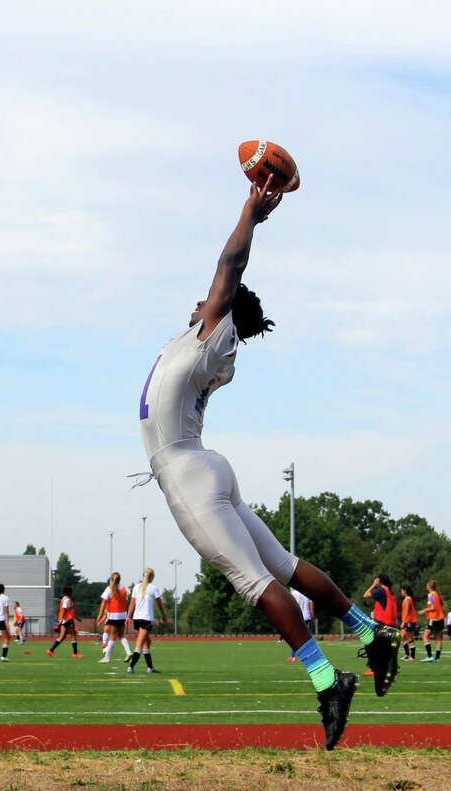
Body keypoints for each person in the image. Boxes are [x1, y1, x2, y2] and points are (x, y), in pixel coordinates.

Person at [135, 178, 400, 749]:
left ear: (224, 311)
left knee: (254, 581)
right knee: (283, 563)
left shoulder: (212, 333)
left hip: (185, 469)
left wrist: (250, 214)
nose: (199, 301)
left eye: (210, 301)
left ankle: (328, 680)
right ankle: (370, 631)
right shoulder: (206, 343)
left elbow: (229, 263)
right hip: (206, 465)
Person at [126, 568, 168, 673]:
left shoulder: (136, 587)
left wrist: (128, 616)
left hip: (137, 619)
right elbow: (159, 604)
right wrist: (164, 616)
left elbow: (132, 603)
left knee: (147, 642)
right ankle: (131, 667)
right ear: (152, 577)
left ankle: (150, 667)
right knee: (140, 643)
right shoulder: (154, 588)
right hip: (146, 619)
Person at [361, 575, 397, 679]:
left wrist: (373, 585)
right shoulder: (391, 592)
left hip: (381, 622)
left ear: (379, 581)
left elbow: (366, 595)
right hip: (391, 623)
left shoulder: (381, 591)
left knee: (372, 645)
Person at [96, 572, 131, 663]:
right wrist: (127, 616)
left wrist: (99, 615)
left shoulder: (109, 588)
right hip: (123, 615)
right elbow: (126, 603)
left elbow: (103, 602)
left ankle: (107, 658)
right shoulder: (124, 589)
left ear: (111, 579)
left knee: (112, 636)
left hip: (113, 615)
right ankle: (129, 652)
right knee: (121, 635)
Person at [46, 586, 83, 658]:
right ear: (69, 592)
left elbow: (69, 611)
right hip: (68, 620)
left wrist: (77, 618)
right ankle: (75, 653)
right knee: (73, 635)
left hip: (66, 620)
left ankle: (51, 650)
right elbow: (64, 610)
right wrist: (60, 620)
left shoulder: (64, 599)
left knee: (62, 637)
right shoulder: (67, 600)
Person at [419, 580, 445, 663]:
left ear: (429, 586)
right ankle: (437, 658)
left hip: (434, 619)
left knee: (425, 637)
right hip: (441, 619)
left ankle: (429, 656)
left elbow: (433, 608)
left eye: (427, 585)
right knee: (439, 639)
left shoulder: (430, 595)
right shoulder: (437, 594)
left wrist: (424, 610)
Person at [286, 588, 314, 663]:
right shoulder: (307, 593)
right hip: (307, 617)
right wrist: (312, 617)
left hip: (297, 617)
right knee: (307, 638)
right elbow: (311, 606)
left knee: (294, 638)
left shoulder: (293, 593)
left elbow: (290, 605)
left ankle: (293, 657)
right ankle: (310, 655)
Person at [399, 586, 419, 661]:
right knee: (402, 637)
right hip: (407, 621)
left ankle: (412, 657)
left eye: (402, 590)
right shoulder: (407, 599)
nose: (401, 592)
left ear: (405, 591)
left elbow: (407, 610)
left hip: (409, 621)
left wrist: (403, 622)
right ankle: (407, 655)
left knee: (410, 639)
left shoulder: (408, 599)